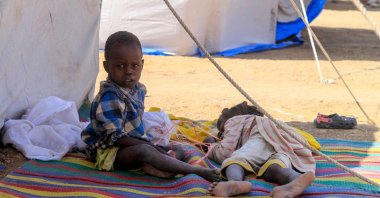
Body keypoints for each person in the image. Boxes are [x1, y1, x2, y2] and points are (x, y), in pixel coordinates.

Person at [81, 31, 220, 182]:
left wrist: (157, 147)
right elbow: (116, 138)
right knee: (145, 151)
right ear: (107, 67)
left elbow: (135, 123)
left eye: (135, 65)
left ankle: (157, 166)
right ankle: (195, 171)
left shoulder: (138, 89)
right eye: (120, 66)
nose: (129, 71)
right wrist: (154, 147)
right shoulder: (109, 96)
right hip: (108, 151)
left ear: (142, 64)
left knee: (177, 149)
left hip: (133, 143)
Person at [203, 102, 315, 197]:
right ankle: (295, 179)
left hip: (260, 137)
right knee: (275, 167)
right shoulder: (272, 122)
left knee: (237, 159)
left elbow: (225, 152)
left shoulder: (234, 121)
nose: (222, 134)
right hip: (285, 144)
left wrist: (211, 146)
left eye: (222, 130)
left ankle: (234, 182)